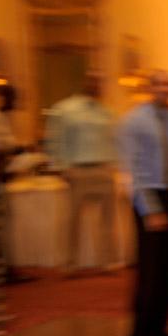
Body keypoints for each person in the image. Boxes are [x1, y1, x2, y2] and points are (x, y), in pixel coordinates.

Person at [120, 70, 168, 336]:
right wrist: (150, 209)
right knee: (150, 270)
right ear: (148, 88)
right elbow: (133, 171)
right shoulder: (134, 120)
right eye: (158, 84)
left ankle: (161, 333)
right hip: (149, 198)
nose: (164, 88)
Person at [44, 72, 118, 273]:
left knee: (107, 220)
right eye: (92, 81)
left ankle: (107, 260)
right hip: (77, 169)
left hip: (103, 168)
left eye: (99, 81)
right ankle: (70, 262)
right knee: (72, 220)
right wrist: (59, 167)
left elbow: (113, 141)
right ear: (83, 82)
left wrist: (114, 165)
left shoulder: (106, 112)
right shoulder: (65, 109)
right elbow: (54, 140)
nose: (96, 85)